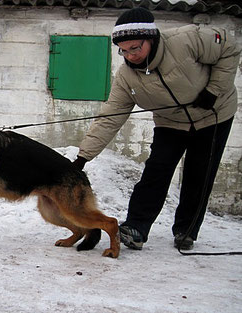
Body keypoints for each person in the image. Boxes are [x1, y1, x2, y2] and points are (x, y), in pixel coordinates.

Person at [72, 7, 241, 250]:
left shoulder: (186, 40)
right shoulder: (126, 77)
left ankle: (186, 230)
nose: (130, 55)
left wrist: (213, 91)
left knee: (200, 174)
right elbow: (110, 117)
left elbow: (229, 47)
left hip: (214, 114)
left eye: (135, 48)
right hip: (170, 122)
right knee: (156, 172)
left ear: (150, 39)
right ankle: (136, 227)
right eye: (124, 50)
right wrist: (83, 157)